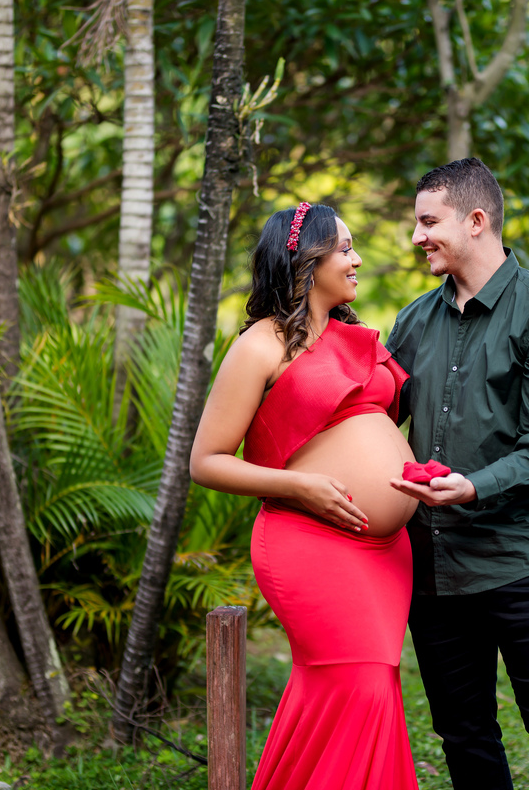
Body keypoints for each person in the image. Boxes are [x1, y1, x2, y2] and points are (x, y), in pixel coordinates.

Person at [385, 158, 529, 790]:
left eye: (429, 222)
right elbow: (372, 413)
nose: (417, 236)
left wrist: (474, 485)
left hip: (524, 565)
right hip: (435, 571)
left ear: (476, 221)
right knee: (464, 735)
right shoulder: (414, 322)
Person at [190, 202, 420, 790]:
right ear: (306, 260)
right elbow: (206, 461)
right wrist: (300, 485)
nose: (357, 258)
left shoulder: (354, 337)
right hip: (309, 541)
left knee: (366, 688)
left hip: (385, 551)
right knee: (360, 683)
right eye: (345, 248)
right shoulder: (260, 345)